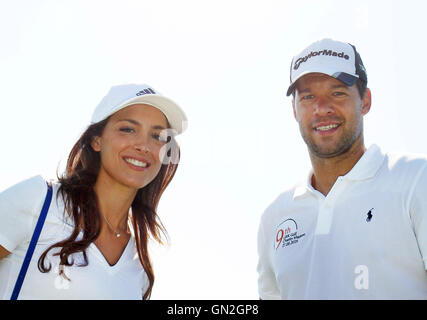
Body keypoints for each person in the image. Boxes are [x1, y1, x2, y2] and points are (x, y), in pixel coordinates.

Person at [257, 38, 427, 299]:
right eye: (308, 96)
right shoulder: (275, 216)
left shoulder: (416, 179)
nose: (322, 109)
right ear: (294, 110)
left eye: (337, 92)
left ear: (365, 101)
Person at [0, 83, 187, 299]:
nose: (144, 146)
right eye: (128, 129)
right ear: (96, 140)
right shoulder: (38, 200)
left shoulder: (141, 267)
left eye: (157, 136)